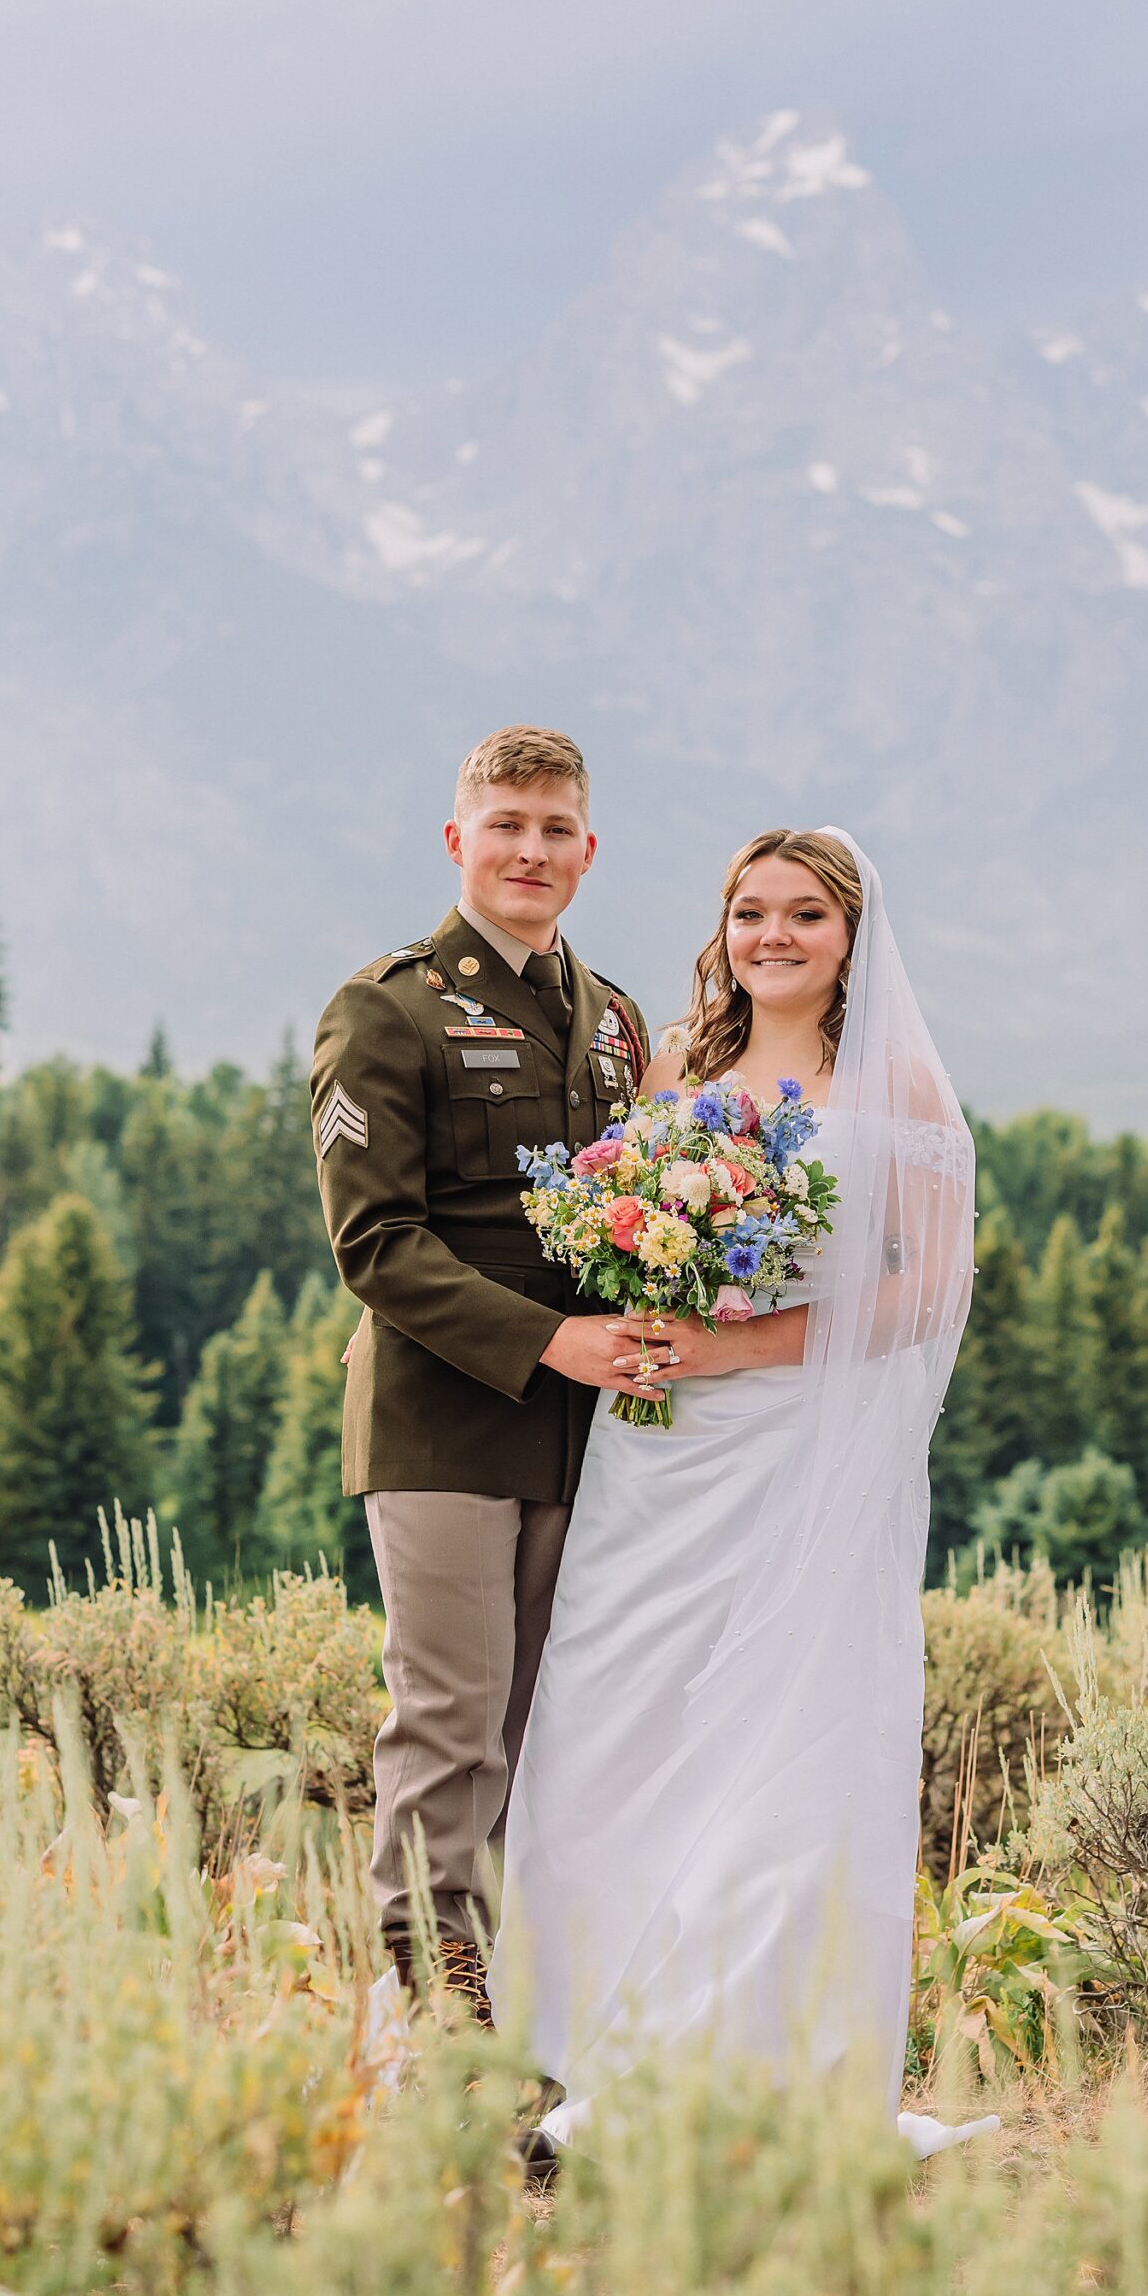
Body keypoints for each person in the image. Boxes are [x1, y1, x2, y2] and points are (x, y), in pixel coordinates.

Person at [488, 826, 992, 2158]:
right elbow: (625, 1225)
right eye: (750, 911)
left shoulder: (894, 1089)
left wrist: (738, 1342)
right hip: (653, 1449)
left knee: (780, 1730)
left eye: (804, 915)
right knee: (619, 1714)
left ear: (850, 935)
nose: (773, 935)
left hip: (795, 1448)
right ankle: (600, 2037)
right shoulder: (677, 1062)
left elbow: (922, 1292)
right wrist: (645, 1295)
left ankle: (756, 2058)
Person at [310, 725, 650, 2020]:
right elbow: (375, 1245)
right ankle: (440, 2026)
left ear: (586, 850)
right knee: (450, 1729)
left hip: (585, 1437)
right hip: (445, 1428)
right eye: (505, 825)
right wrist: (552, 1339)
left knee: (552, 1738)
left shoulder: (613, 1022)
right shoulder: (387, 1009)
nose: (529, 850)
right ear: (458, 839)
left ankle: (536, 2016)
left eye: (554, 828)